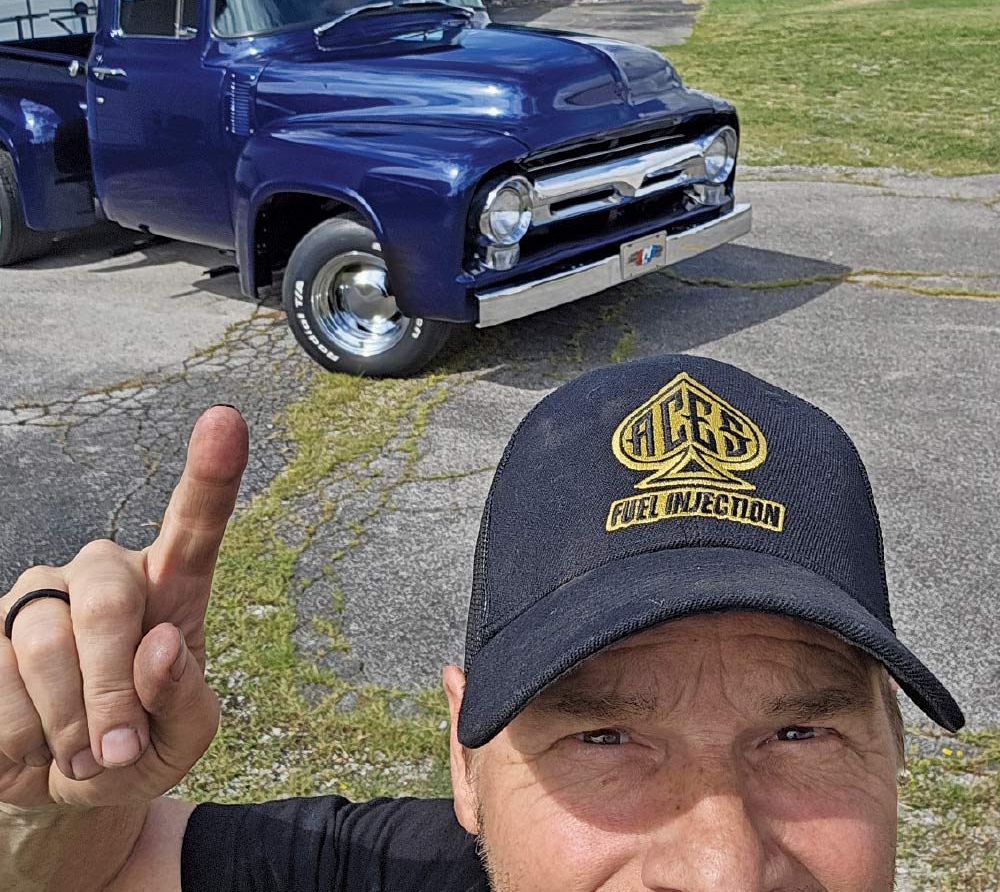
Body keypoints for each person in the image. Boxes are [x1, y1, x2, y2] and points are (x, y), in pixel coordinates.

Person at [0, 354, 964, 892]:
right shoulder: (401, 874)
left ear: (891, 750)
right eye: (604, 735)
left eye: (800, 733)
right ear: (468, 765)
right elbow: (107, 866)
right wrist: (43, 789)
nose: (724, 872)